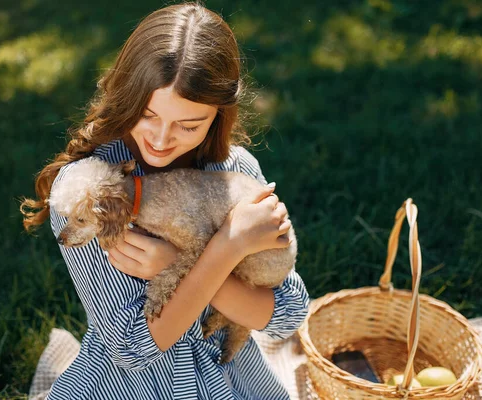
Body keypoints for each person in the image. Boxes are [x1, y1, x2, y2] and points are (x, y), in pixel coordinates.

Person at [20, 3, 310, 399]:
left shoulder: (235, 172)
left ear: (217, 115)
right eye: (148, 115)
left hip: (232, 375)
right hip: (135, 386)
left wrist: (185, 261)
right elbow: (131, 348)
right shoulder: (87, 193)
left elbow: (287, 314)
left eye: (188, 125)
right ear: (126, 96)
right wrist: (226, 247)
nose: (160, 140)